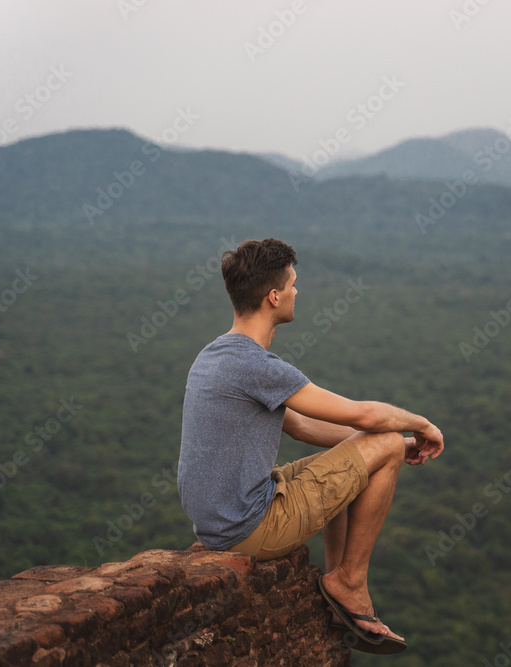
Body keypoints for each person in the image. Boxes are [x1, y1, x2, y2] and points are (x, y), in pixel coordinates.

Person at [177, 238, 444, 653]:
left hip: (220, 522)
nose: (298, 292)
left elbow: (301, 426)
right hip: (248, 528)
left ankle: (338, 581)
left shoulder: (212, 355)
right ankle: (349, 583)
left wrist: (389, 444)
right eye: (294, 284)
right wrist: (421, 426)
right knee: (385, 441)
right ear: (274, 296)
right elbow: (365, 417)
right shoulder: (257, 365)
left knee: (376, 449)